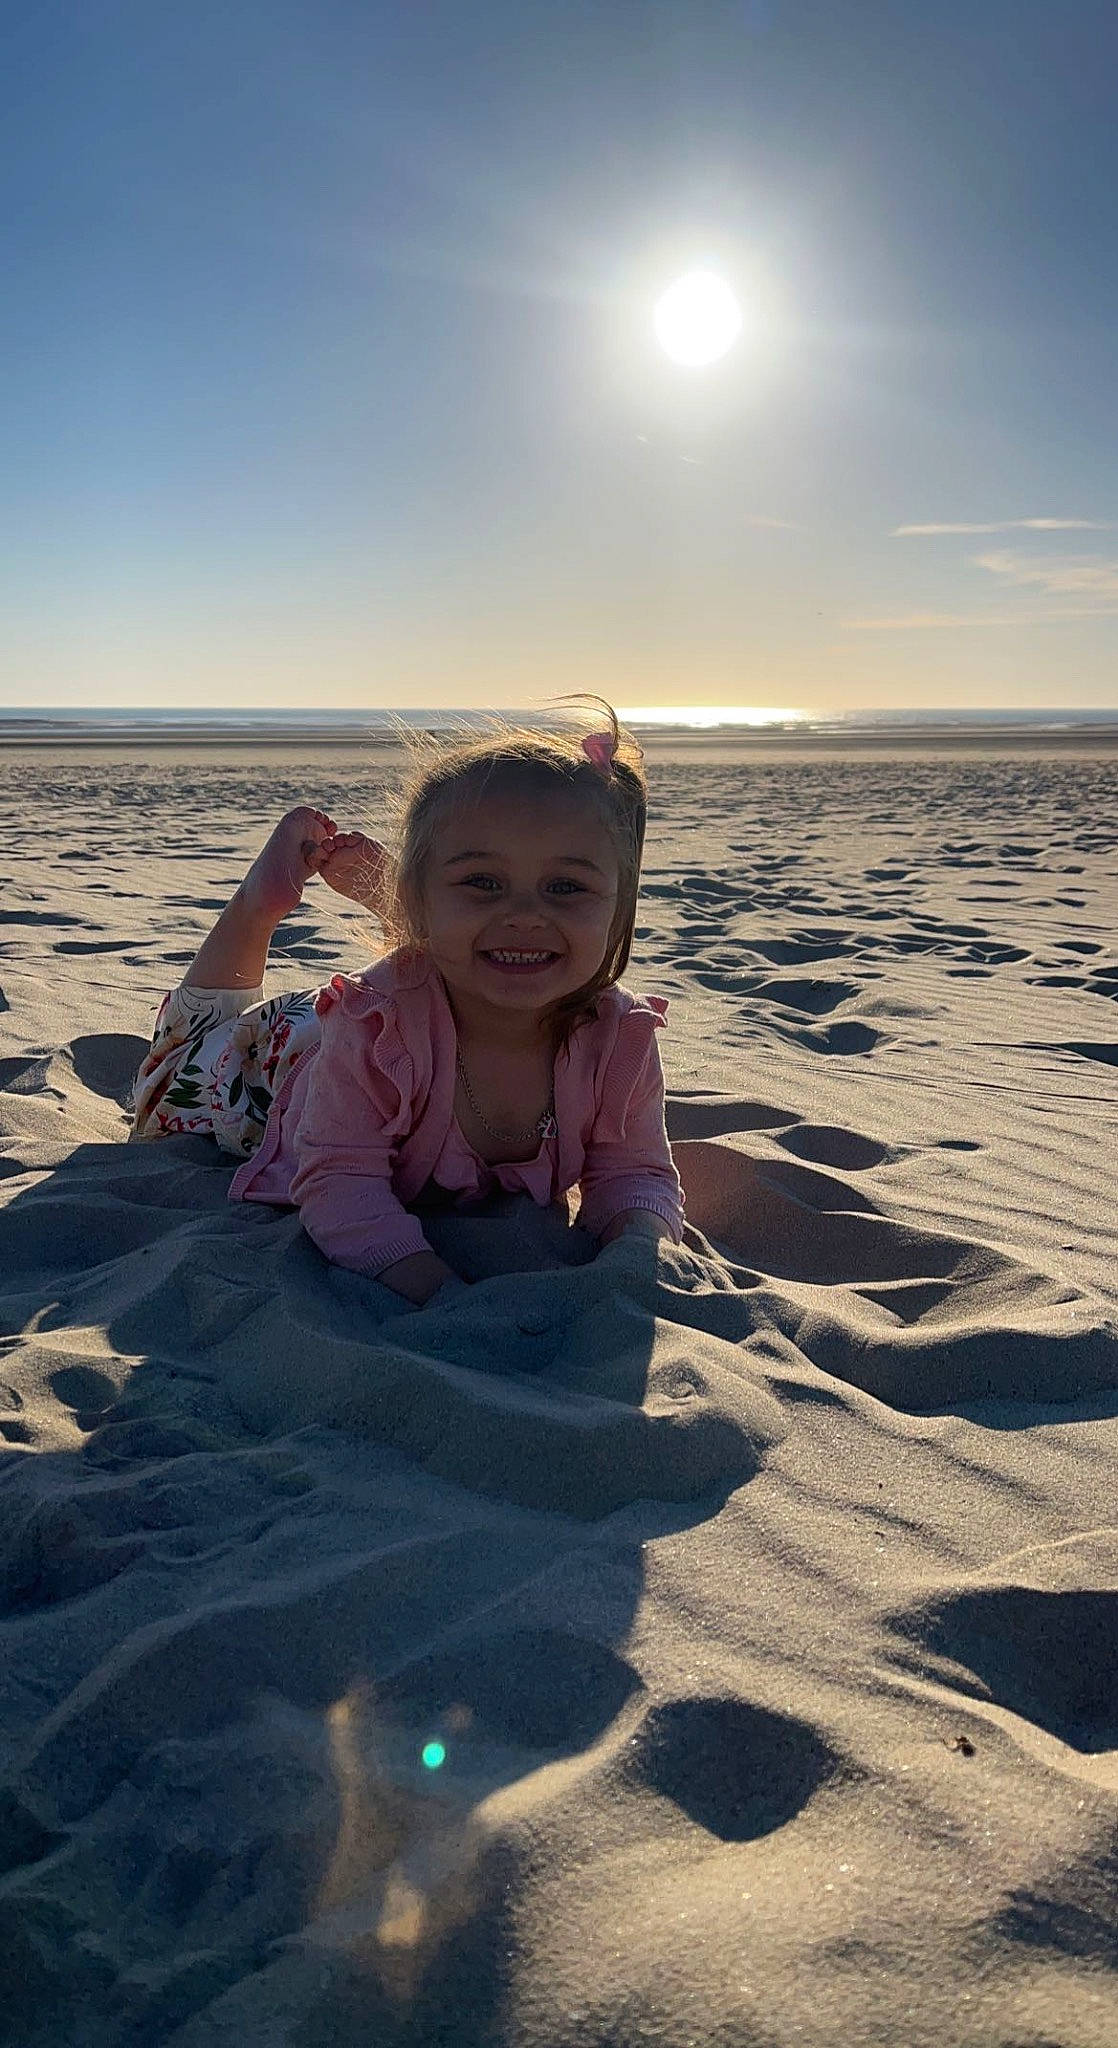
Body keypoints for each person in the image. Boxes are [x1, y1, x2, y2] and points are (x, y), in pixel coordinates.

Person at [130, 706, 684, 1306]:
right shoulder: (372, 1031)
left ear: (620, 906)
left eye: (566, 887)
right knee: (171, 1071)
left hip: (412, 992)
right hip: (284, 1060)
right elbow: (339, 1182)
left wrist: (635, 1252)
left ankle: (428, 911)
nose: (528, 913)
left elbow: (636, 1173)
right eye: (483, 881)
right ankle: (257, 905)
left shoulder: (619, 1038)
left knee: (480, 944)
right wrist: (434, 1288)